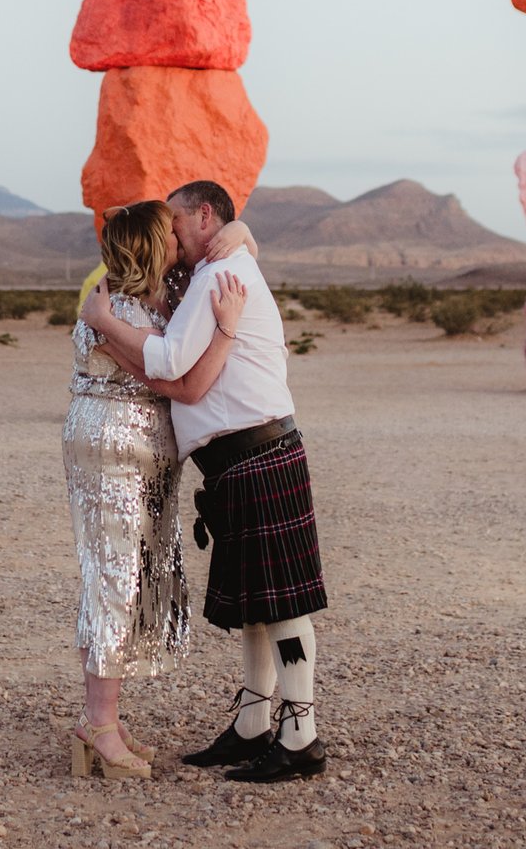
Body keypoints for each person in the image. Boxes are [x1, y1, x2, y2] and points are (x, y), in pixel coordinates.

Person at [81, 179, 330, 783]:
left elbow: (169, 361)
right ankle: (252, 725)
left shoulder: (219, 274)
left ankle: (301, 737)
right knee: (257, 602)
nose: (171, 233)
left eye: (175, 221)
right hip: (241, 460)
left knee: (284, 601)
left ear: (203, 215)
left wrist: (103, 323)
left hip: (255, 453)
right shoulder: (218, 267)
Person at [62, 200, 251, 781]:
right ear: (149, 247)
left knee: (132, 572)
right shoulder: (112, 308)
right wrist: (225, 330)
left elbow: (235, 248)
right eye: (166, 235)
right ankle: (96, 727)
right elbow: (177, 382)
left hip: (140, 448)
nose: (178, 239)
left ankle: (108, 722)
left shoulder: (155, 295)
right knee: (115, 575)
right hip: (113, 446)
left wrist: (239, 230)